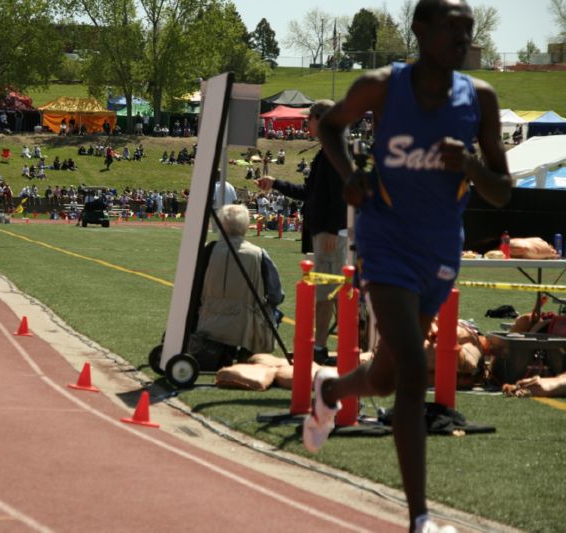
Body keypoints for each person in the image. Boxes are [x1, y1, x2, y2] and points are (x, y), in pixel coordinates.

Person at [307, 2, 512, 532]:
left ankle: (329, 392)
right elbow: (331, 127)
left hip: (440, 250)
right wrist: (352, 174)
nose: (462, 37)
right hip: (386, 240)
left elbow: (501, 191)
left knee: (385, 375)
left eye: (468, 29)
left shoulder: (480, 99)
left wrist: (467, 163)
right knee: (416, 368)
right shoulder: (381, 86)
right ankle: (420, 518)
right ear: (420, 30)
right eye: (452, 27)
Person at [256, 99, 346, 366]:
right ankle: (328, 346)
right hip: (325, 232)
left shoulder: (333, 152)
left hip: (331, 234)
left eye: (309, 119)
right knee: (329, 294)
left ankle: (326, 347)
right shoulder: (328, 151)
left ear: (321, 120)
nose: (306, 124)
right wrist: (276, 184)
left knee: (328, 294)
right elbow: (310, 194)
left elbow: (342, 196)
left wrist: (331, 229)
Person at [193, 203, 284, 363]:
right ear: (246, 225)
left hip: (208, 321)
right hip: (246, 326)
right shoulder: (258, 254)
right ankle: (249, 351)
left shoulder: (209, 250)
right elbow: (276, 295)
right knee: (276, 313)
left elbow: (196, 287)